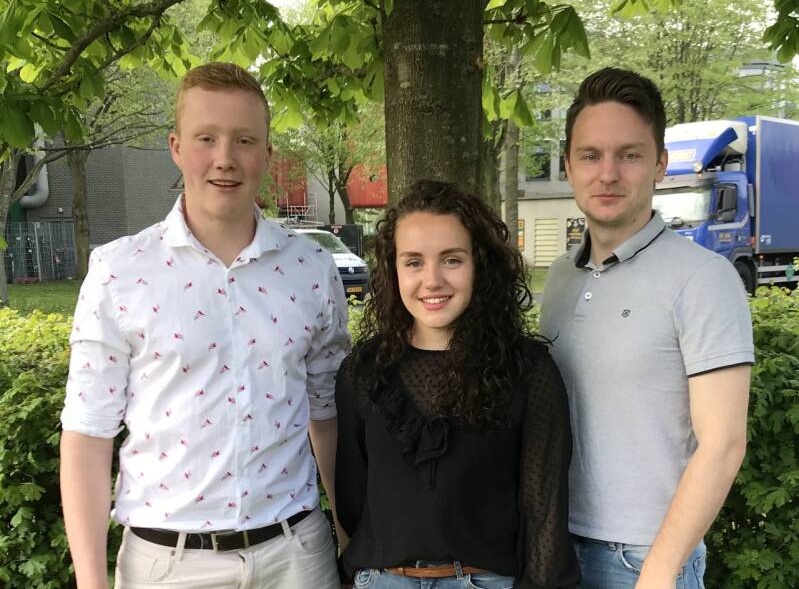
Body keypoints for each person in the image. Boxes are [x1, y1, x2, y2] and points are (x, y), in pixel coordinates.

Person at [59, 62, 349, 589]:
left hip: (297, 558)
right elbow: (87, 436)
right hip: (166, 566)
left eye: (244, 140)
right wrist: (90, 582)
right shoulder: (119, 272)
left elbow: (326, 415)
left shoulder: (312, 270)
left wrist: (350, 537)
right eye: (206, 138)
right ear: (175, 147)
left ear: (266, 154)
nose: (225, 158)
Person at [539, 67, 754, 589]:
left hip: (642, 559)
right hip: (555, 547)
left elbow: (724, 443)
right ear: (569, 166)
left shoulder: (704, 278)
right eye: (591, 155)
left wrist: (658, 571)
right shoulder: (561, 276)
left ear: (659, 163)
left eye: (629, 155)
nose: (608, 173)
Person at [335, 180, 580, 588]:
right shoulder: (362, 372)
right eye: (414, 262)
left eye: (451, 260)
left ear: (480, 265)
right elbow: (353, 497)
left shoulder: (527, 371)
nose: (432, 280)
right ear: (393, 271)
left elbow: (543, 509)